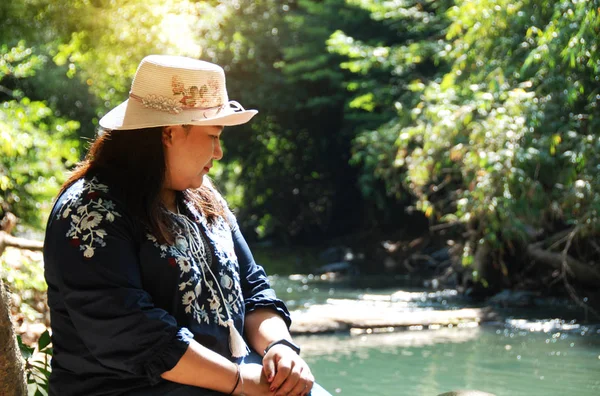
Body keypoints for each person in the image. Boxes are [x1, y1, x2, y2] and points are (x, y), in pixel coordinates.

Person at [43, 55, 332, 396]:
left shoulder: (202, 196)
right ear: (170, 133)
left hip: (229, 382)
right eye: (213, 134)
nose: (219, 151)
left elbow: (253, 288)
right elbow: (137, 335)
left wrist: (278, 348)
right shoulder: (89, 211)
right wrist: (239, 382)